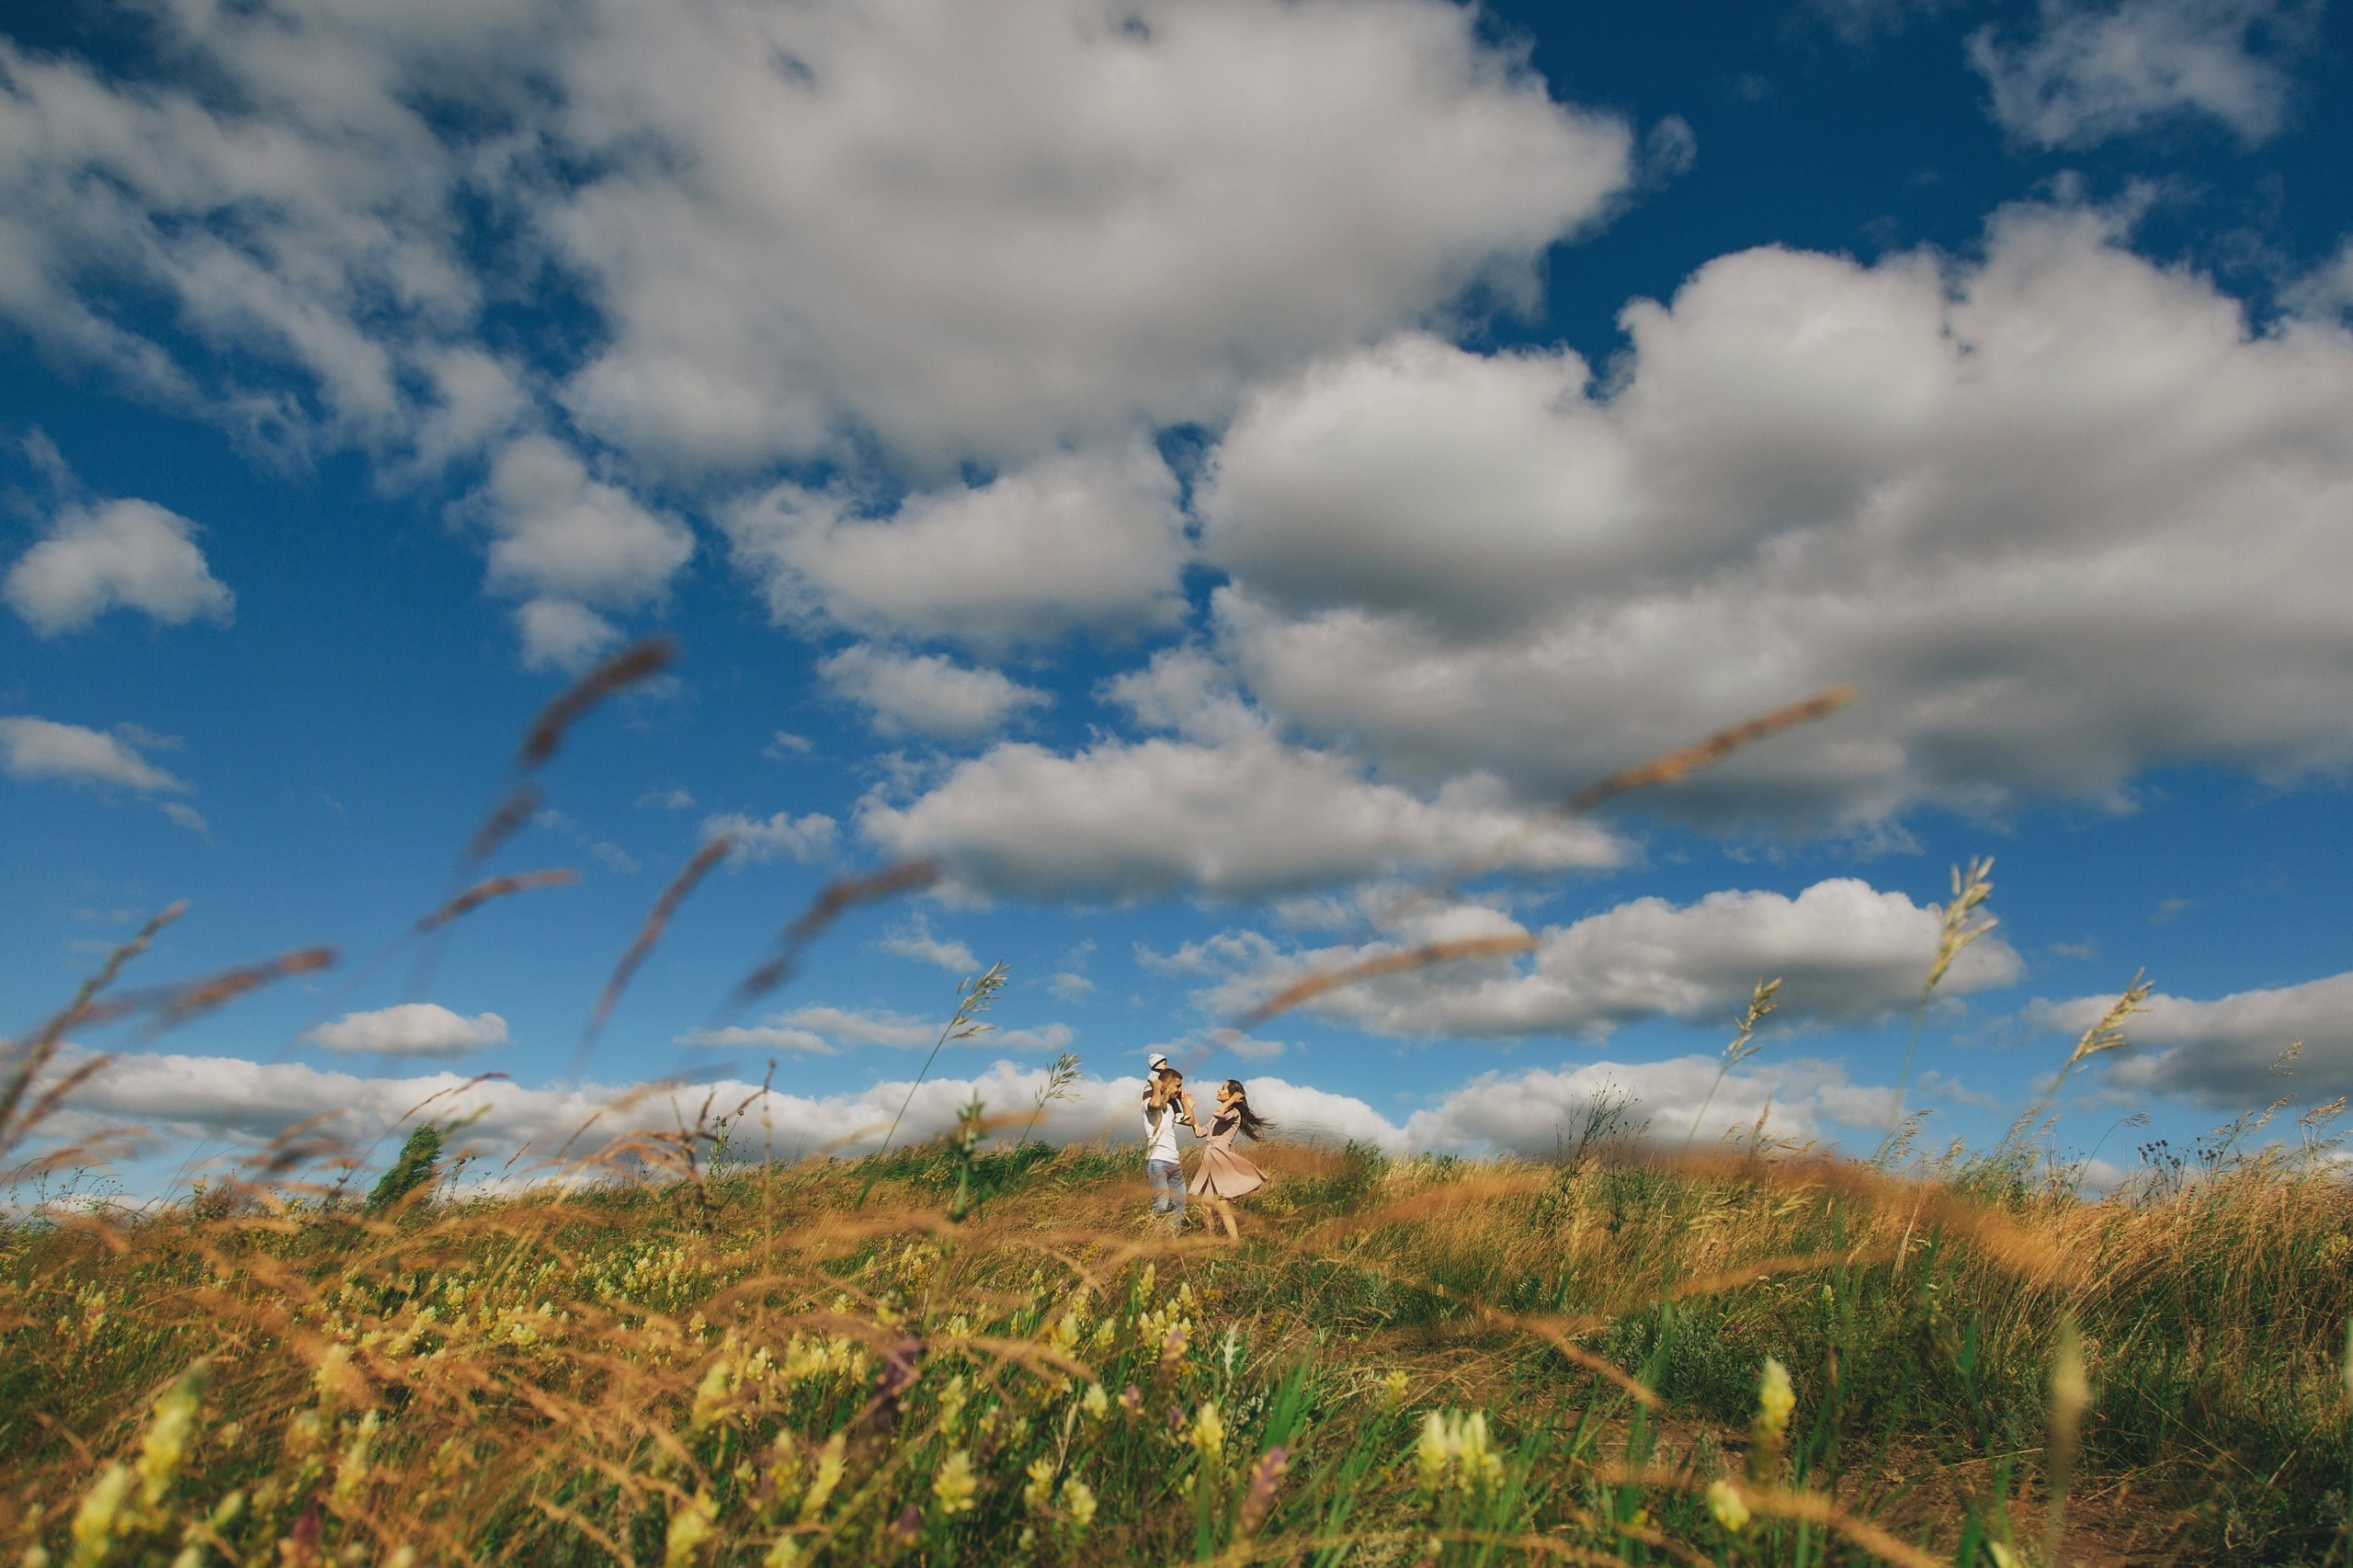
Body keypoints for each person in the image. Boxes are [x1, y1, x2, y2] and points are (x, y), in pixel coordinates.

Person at [1188, 1079, 1271, 1238]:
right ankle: (1211, 1239)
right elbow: (1199, 1132)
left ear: (1231, 1094)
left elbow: (1218, 1113)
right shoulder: (1221, 1114)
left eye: (1223, 1088)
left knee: (1222, 1204)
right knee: (1205, 1204)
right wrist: (1191, 1109)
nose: (1218, 1090)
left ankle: (1234, 1243)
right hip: (1210, 1158)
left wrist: (1232, 1101)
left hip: (1220, 1158)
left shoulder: (1234, 1113)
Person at [1140, 1053, 1197, 1229]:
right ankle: (1149, 1237)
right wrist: (1158, 1087)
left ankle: (1170, 1243)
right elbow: (1156, 1104)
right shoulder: (1148, 1104)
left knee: (1179, 1206)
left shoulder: (1171, 1109)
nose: (1180, 1089)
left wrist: (1185, 1102)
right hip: (1157, 1161)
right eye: (1178, 1086)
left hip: (1174, 1163)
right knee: (1162, 1205)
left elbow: (1190, 1121)